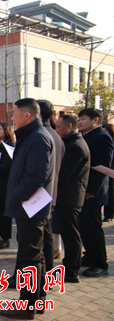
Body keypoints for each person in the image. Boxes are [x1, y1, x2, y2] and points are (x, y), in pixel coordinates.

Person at [0, 98, 55, 320]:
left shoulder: (38, 138)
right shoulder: (32, 136)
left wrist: (16, 196)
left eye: (14, 113)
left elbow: (36, 176)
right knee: (34, 256)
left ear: (27, 115)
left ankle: (27, 305)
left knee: (30, 257)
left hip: (31, 207)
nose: (12, 118)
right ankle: (36, 300)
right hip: (29, 207)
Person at [78, 108, 113, 278]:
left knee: (93, 227)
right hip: (83, 189)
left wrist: (91, 190)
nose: (79, 122)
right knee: (84, 226)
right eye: (79, 119)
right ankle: (90, 255)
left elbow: (102, 167)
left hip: (93, 191)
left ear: (96, 120)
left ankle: (100, 263)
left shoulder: (102, 137)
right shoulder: (85, 136)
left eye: (83, 119)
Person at [55, 114, 90, 283]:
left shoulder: (75, 146)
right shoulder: (71, 143)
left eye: (58, 127)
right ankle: (69, 266)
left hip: (70, 197)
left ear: (69, 127)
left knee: (71, 234)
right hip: (67, 196)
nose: (56, 130)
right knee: (68, 233)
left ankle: (72, 270)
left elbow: (64, 174)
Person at [38, 100, 65, 269]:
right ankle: (47, 267)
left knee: (42, 235)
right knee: (46, 233)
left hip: (42, 194)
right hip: (49, 191)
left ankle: (45, 269)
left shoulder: (42, 135)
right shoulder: (53, 134)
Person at [103, 123, 114, 222]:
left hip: (111, 171)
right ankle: (108, 214)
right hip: (108, 170)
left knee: (111, 192)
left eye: (105, 130)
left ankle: (109, 214)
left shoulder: (109, 141)